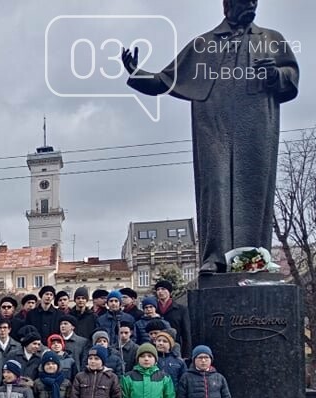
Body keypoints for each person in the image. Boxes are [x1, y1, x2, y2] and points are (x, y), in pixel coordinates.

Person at [122, 0, 298, 274]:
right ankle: (215, 258)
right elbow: (164, 80)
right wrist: (135, 71)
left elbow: (291, 77)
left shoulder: (272, 39)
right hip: (213, 127)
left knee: (254, 190)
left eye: (254, 0)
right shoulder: (203, 45)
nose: (250, 4)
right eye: (244, 0)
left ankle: (252, 260)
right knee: (214, 187)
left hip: (256, 128)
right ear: (227, 5)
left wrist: (275, 75)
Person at [154, 280, 192, 358]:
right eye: (158, 289)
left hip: (175, 348)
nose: (160, 292)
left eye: (163, 289)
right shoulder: (154, 309)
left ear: (169, 292)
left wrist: (186, 355)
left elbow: (186, 334)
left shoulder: (181, 310)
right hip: (156, 349)